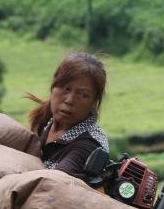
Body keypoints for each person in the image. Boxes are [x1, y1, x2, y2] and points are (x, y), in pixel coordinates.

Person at [26, 51, 110, 179]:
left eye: (83, 95)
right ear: (53, 86)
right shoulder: (45, 119)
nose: (70, 100)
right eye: (66, 89)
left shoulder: (91, 145)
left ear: (93, 101)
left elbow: (53, 184)